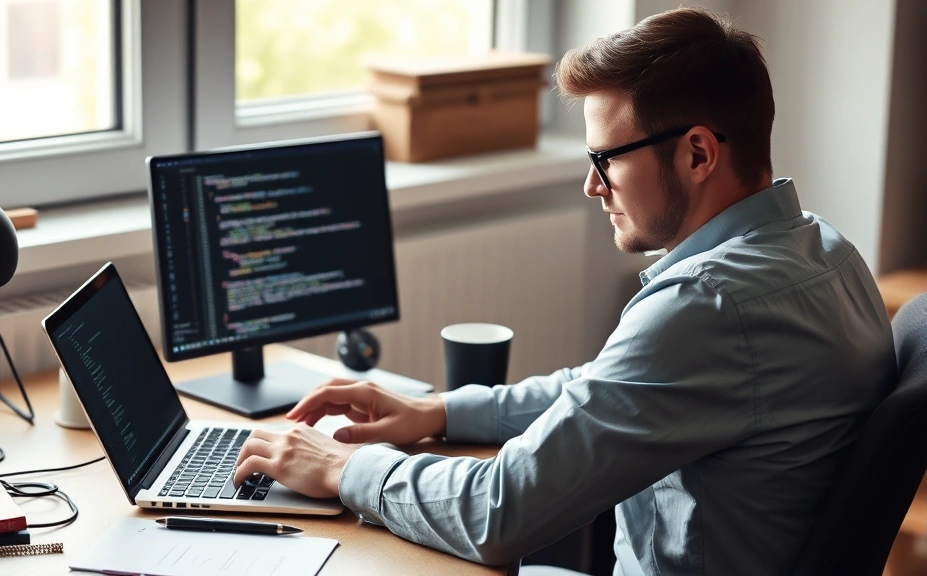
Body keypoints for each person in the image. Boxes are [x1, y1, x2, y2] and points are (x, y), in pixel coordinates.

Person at [232, 7, 896, 574]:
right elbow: (615, 389)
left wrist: (341, 469)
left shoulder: (707, 307)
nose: (592, 187)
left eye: (605, 158)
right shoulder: (824, 250)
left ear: (698, 153)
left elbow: (502, 513)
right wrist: (438, 411)